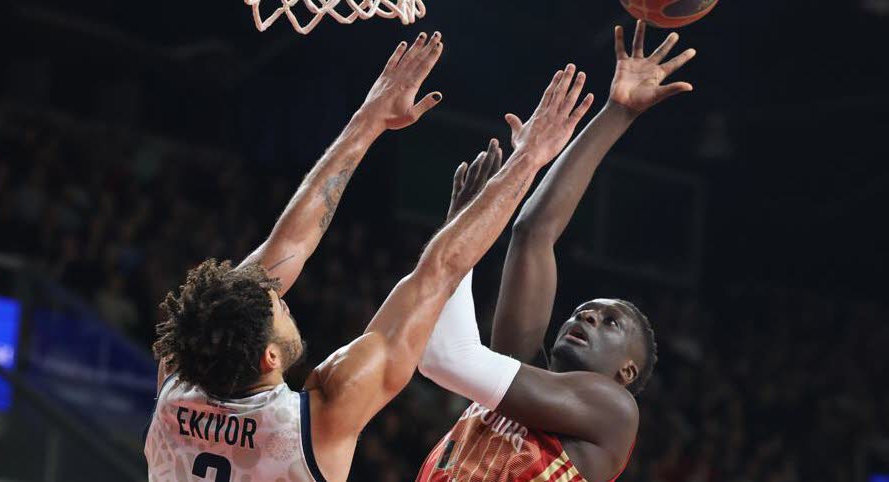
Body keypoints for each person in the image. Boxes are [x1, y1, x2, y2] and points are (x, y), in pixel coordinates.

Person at [144, 30, 597, 482]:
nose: (281, 297)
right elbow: (435, 273)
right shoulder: (318, 420)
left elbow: (287, 247)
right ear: (270, 358)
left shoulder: (178, 381)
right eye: (276, 306)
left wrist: (371, 117)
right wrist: (530, 159)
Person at [416, 21, 697, 482]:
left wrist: (459, 234)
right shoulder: (518, 384)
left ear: (627, 370)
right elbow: (532, 233)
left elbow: (445, 357)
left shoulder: (613, 411)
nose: (586, 317)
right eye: (586, 311)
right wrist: (617, 112)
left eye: (609, 322)